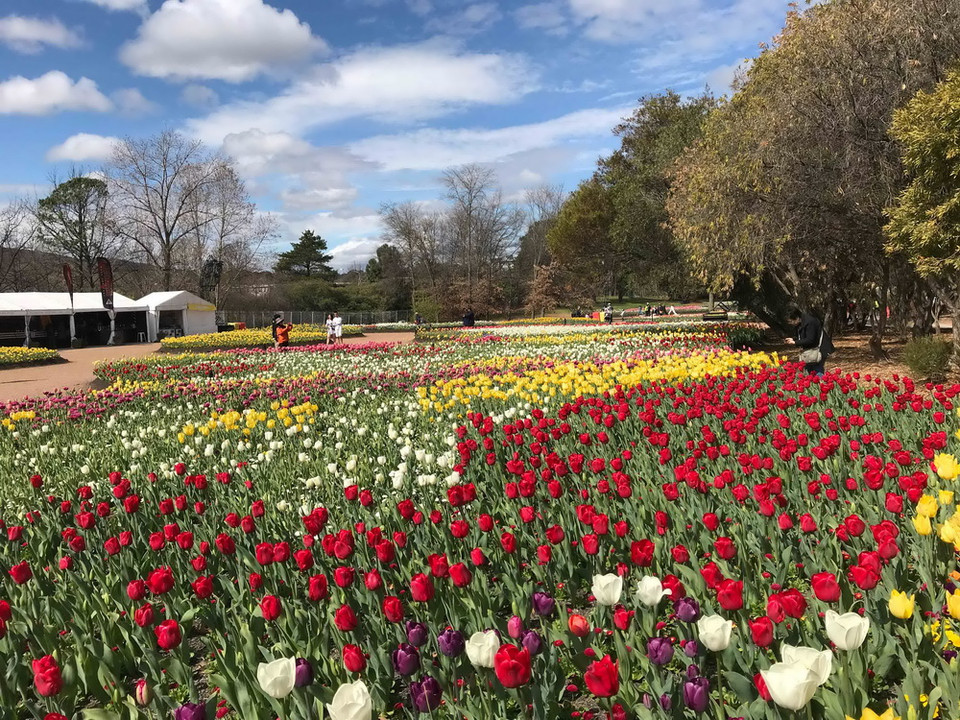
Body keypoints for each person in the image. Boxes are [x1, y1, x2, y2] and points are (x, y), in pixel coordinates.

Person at [785, 309, 834, 376]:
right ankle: (814, 384)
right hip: (810, 351)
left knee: (817, 369)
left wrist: (795, 342)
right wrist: (793, 339)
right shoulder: (800, 323)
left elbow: (810, 339)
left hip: (819, 349)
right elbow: (802, 337)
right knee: (809, 371)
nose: (790, 323)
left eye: (791, 321)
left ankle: (820, 384)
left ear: (796, 318)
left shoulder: (810, 322)